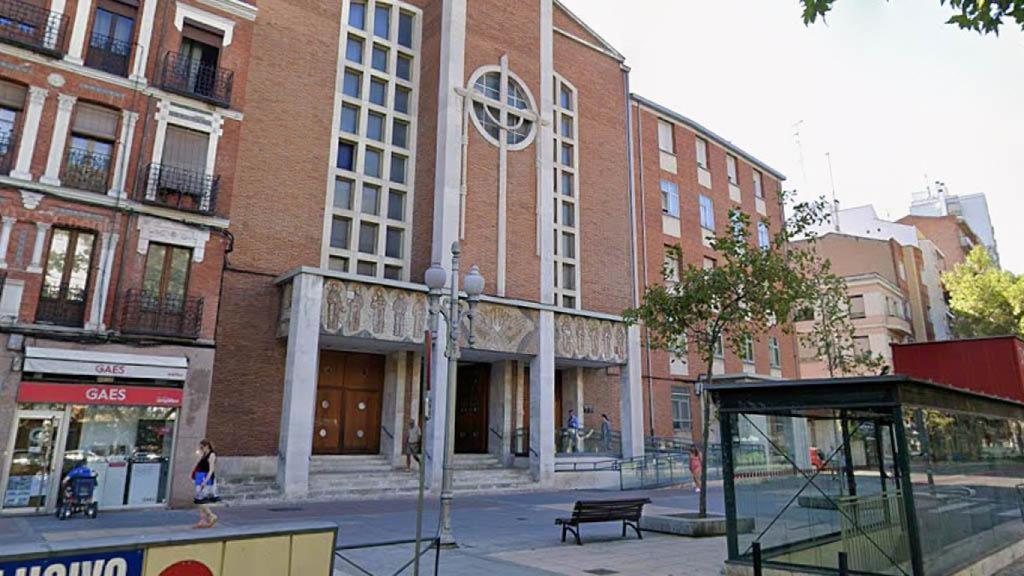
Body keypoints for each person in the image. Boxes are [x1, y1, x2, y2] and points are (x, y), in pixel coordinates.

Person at [192, 439, 219, 528]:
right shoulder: (204, 455)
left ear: (207, 446)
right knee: (200, 500)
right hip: (200, 477)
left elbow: (211, 470)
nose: (201, 449)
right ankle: (203, 520)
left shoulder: (212, 455)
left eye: (202, 447)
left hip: (205, 478)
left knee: (199, 499)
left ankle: (211, 515)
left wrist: (205, 481)